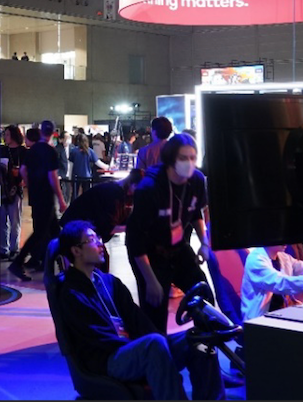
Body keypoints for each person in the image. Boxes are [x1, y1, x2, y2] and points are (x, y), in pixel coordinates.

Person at [55, 221, 225, 401]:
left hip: (128, 349)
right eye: (91, 239)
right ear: (76, 251)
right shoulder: (72, 294)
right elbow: (98, 339)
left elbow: (137, 319)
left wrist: (160, 341)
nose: (99, 243)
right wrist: (139, 346)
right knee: (153, 345)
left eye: (98, 237)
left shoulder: (109, 282)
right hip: (108, 359)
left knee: (197, 339)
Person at [126, 133, 213, 333]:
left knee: (204, 297)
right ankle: (157, 348)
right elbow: (136, 240)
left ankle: (205, 342)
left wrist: (204, 242)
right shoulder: (150, 188)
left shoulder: (196, 180)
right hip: (149, 253)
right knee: (155, 308)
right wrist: (150, 280)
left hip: (178, 247)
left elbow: (196, 212)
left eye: (192, 157)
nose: (189, 163)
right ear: (171, 159)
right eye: (183, 158)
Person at [9, 121, 68, 281]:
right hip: (46, 196)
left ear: (41, 132)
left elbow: (23, 170)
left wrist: (31, 185)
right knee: (41, 232)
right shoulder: (50, 151)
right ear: (53, 133)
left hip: (36, 195)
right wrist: (61, 199)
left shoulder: (33, 150)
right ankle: (18, 262)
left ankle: (63, 266)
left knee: (54, 231)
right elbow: (52, 176)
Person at [60, 168, 141, 272]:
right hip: (75, 228)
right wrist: (132, 227)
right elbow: (108, 228)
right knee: (99, 262)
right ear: (132, 184)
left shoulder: (122, 194)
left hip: (85, 228)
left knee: (101, 261)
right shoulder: (113, 194)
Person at [240, 244, 303, 322]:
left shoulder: (283, 257)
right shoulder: (255, 260)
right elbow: (282, 283)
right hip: (259, 321)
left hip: (281, 313)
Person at [0, 125, 26, 260]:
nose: (5, 137)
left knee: (15, 220)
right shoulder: (2, 150)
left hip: (16, 189)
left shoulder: (23, 151)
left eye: (8, 134)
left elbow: (27, 170)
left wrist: (22, 178)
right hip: (2, 188)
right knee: (2, 220)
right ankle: (3, 249)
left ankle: (14, 248)